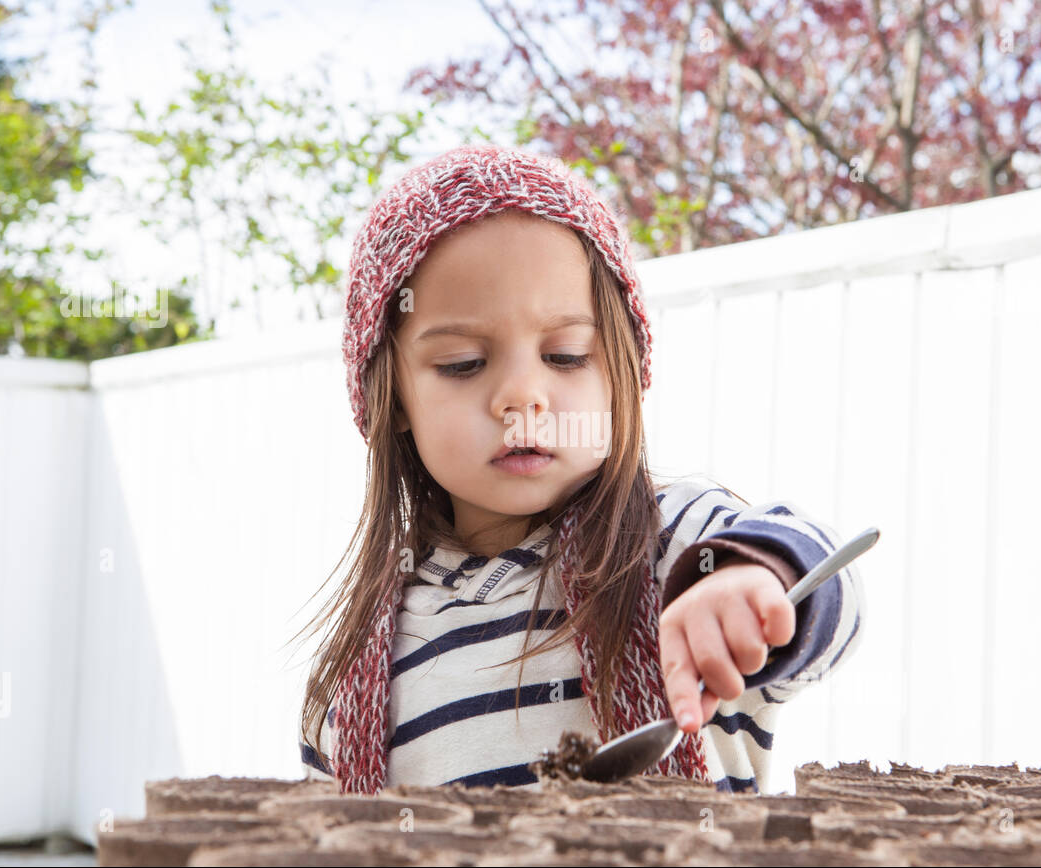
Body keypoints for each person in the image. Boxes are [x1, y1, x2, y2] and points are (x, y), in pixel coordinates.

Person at [296, 144, 865, 795]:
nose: (522, 396)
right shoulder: (355, 671)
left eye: (565, 355)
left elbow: (832, 593)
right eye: (461, 363)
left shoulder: (675, 549)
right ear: (393, 398)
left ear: (621, 372)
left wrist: (754, 581)